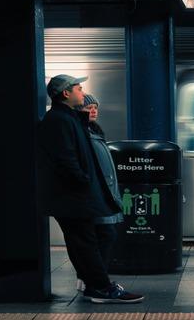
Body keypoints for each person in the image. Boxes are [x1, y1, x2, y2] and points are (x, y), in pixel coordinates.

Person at [37, 75, 143, 304]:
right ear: (66, 93)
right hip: (72, 195)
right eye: (79, 89)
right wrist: (83, 181)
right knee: (86, 241)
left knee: (87, 240)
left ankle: (95, 286)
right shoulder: (59, 120)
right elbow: (65, 158)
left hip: (74, 194)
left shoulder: (68, 118)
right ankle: (101, 288)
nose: (82, 93)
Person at [73, 93, 124, 293]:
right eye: (88, 108)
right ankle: (94, 280)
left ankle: (91, 278)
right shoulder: (82, 132)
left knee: (101, 235)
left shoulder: (94, 130)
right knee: (104, 234)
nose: (93, 111)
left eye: (95, 107)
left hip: (102, 191)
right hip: (93, 193)